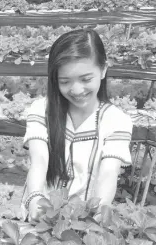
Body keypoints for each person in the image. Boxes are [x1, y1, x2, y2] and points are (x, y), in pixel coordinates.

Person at [23, 29, 133, 221]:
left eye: (85, 79)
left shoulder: (116, 121)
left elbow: (108, 173)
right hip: (40, 214)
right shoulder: (41, 110)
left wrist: (100, 210)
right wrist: (34, 198)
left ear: (103, 69)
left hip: (82, 222)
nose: (76, 90)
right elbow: (39, 160)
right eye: (64, 81)